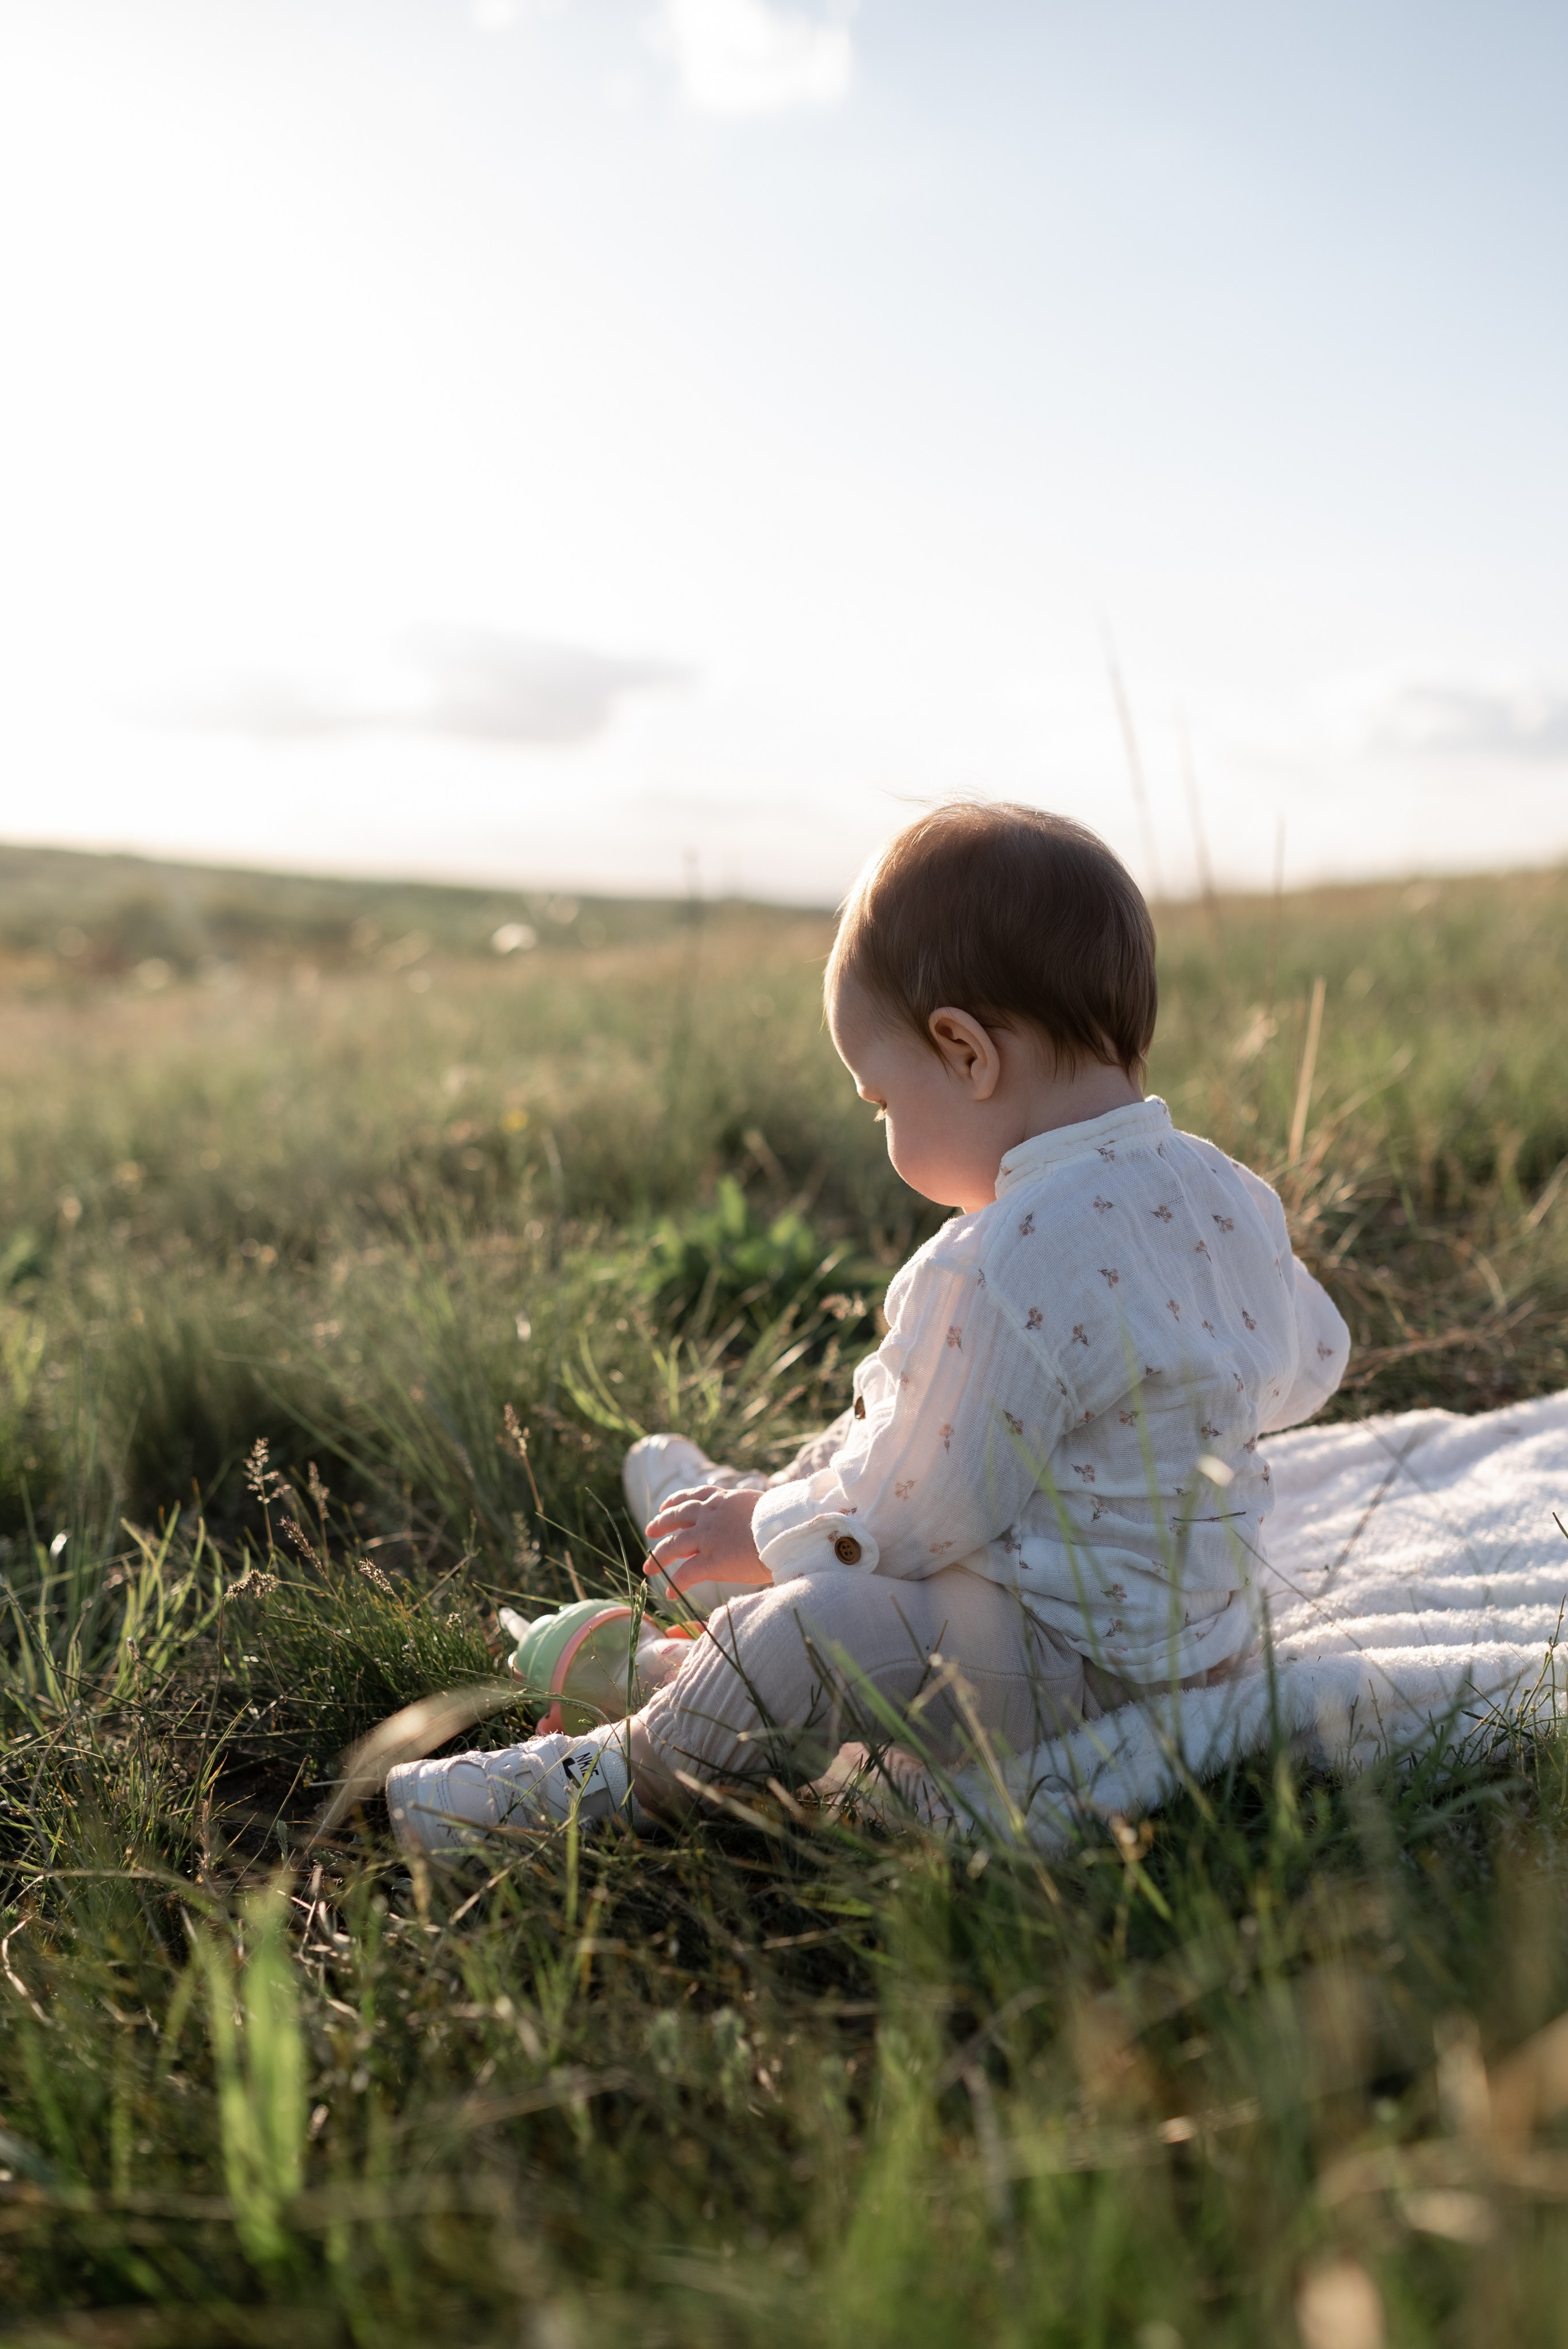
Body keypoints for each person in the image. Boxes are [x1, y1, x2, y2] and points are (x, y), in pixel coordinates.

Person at [387, 802, 1348, 1853]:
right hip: (1202, 1649)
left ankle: (616, 1770)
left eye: (883, 1101)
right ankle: (714, 1537)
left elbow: (913, 1508)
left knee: (809, 1632)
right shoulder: (1229, 1194)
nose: (887, 1130)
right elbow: (1313, 1363)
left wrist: (761, 1534)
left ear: (967, 1052)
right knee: (862, 1492)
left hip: (1062, 1678)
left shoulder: (998, 1261)